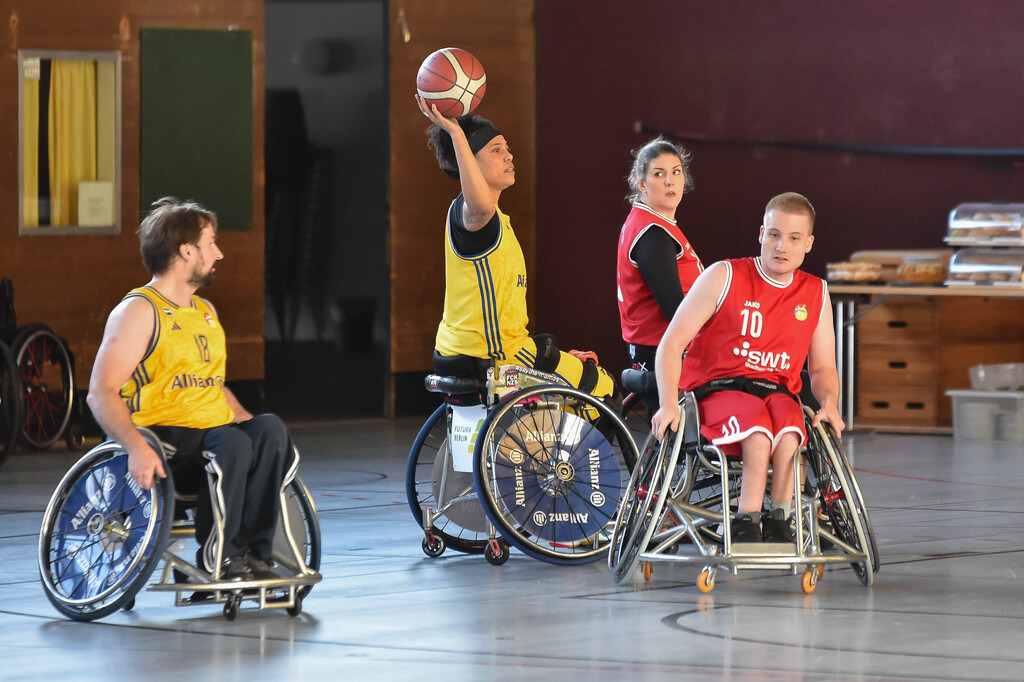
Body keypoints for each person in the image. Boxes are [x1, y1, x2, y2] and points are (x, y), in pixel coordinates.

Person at [87, 197, 297, 581]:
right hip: (163, 444)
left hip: (211, 437)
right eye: (211, 243)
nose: (219, 253)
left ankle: (254, 555)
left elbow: (213, 387)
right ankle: (220, 557)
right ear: (186, 251)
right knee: (233, 444)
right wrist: (135, 448)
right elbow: (100, 392)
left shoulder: (205, 312)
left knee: (269, 430)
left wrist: (250, 427)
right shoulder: (139, 311)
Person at [651, 192, 844, 543]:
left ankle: (781, 521)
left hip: (776, 392)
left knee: (791, 434)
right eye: (774, 234)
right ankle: (745, 522)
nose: (781, 246)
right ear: (761, 234)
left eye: (794, 238)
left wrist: (829, 403)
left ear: (808, 243)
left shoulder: (816, 292)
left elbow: (822, 369)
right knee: (757, 435)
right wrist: (667, 404)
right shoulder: (723, 275)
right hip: (718, 389)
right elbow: (671, 344)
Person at [416, 95, 617, 403]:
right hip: (495, 359)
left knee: (566, 363)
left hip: (481, 350)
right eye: (497, 150)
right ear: (470, 161)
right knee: (602, 388)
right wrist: (456, 133)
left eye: (507, 148)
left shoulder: (496, 220)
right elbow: (480, 206)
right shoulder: (474, 216)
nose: (509, 156)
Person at [616, 137, 703, 406]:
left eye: (676, 172)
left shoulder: (651, 222)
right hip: (664, 351)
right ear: (642, 185)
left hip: (660, 346)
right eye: (658, 174)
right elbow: (674, 308)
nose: (669, 181)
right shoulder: (653, 232)